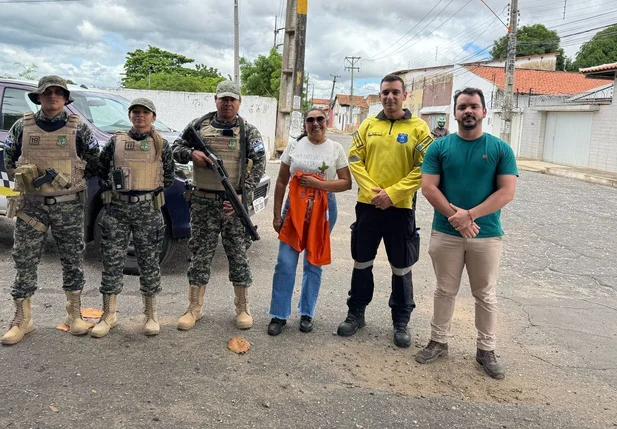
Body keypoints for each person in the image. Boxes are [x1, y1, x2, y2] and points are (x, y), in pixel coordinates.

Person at [415, 87, 518, 380]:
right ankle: (438, 342)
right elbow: (428, 187)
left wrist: (470, 215)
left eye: (474, 106)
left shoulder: (500, 149)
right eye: (462, 107)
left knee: (485, 294)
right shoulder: (439, 147)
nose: (468, 112)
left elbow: (507, 192)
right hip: (445, 233)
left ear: (484, 111)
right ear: (455, 113)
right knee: (444, 290)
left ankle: (486, 350)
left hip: (486, 234)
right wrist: (455, 217)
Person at [1, 75, 100, 345]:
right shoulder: (22, 126)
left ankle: (74, 314)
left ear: (66, 99)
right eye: (48, 93)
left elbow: (94, 162)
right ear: (39, 97)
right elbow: (9, 158)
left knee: (72, 260)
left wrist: (71, 181)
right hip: (31, 206)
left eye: (58, 93)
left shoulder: (79, 129)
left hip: (67, 206)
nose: (53, 97)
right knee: (24, 261)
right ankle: (23, 319)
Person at [337, 74, 434, 348]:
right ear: (380, 96)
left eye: (395, 92)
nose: (389, 97)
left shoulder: (419, 128)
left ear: (404, 95)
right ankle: (356, 314)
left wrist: (392, 194)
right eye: (385, 92)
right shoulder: (368, 125)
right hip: (368, 207)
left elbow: (425, 167)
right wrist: (373, 192)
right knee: (362, 261)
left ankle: (401, 321)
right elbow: (355, 159)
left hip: (400, 209)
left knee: (401, 267)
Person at [173, 80, 266, 331]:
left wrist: (241, 195)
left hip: (232, 204)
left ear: (239, 102)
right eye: (223, 98)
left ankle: (243, 308)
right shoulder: (199, 126)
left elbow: (258, 164)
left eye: (232, 99)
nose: (227, 103)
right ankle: (194, 308)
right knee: (200, 255)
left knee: (238, 255)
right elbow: (176, 148)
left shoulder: (248, 131)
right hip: (202, 202)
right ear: (216, 99)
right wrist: (192, 155)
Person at [91, 98, 176, 338]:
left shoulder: (161, 144)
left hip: (147, 210)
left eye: (145, 113)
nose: (140, 116)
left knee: (149, 263)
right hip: (116, 210)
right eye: (136, 112)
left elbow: (168, 176)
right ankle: (109, 315)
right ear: (130, 116)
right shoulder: (115, 141)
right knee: (112, 263)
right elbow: (101, 169)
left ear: (153, 117)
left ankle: (150, 315)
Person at [267, 108, 351, 336]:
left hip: (323, 209)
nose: (315, 123)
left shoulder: (336, 148)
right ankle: (279, 314)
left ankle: (307, 312)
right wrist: (277, 215)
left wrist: (318, 185)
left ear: (326, 122)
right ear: (304, 124)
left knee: (314, 261)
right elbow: (282, 181)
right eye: (310, 120)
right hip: (294, 207)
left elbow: (346, 183)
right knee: (285, 262)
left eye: (320, 119)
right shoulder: (295, 146)